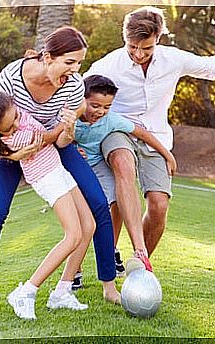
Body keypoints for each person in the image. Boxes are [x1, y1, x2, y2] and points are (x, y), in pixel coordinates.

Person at [0, 26, 120, 314]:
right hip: (8, 152)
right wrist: (15, 154)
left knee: (97, 203)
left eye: (79, 64)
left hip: (51, 148)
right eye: (69, 63)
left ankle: (99, 286)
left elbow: (61, 137)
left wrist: (65, 130)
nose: (75, 71)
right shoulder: (10, 78)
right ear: (48, 57)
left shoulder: (72, 85)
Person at [83, 6, 215, 258]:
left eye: (146, 48)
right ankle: (110, 256)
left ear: (158, 39)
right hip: (119, 131)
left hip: (156, 138)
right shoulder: (107, 65)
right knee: (122, 166)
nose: (138, 54)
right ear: (124, 39)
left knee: (159, 205)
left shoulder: (173, 59)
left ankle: (140, 264)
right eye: (132, 47)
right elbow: (76, 96)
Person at [0, 90, 94, 319]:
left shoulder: (17, 113)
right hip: (46, 177)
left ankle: (63, 291)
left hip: (57, 169)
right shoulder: (18, 137)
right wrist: (72, 115)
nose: (18, 124)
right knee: (74, 235)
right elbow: (45, 136)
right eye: (9, 128)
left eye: (17, 116)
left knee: (89, 225)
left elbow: (36, 122)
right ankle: (27, 290)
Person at [73, 75, 177, 286]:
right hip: (76, 169)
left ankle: (115, 253)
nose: (100, 112)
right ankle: (75, 269)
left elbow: (142, 133)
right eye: (94, 105)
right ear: (81, 99)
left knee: (115, 203)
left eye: (106, 107)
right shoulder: (70, 118)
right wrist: (74, 150)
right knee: (80, 220)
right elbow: (56, 141)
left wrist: (167, 154)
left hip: (99, 168)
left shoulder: (110, 120)